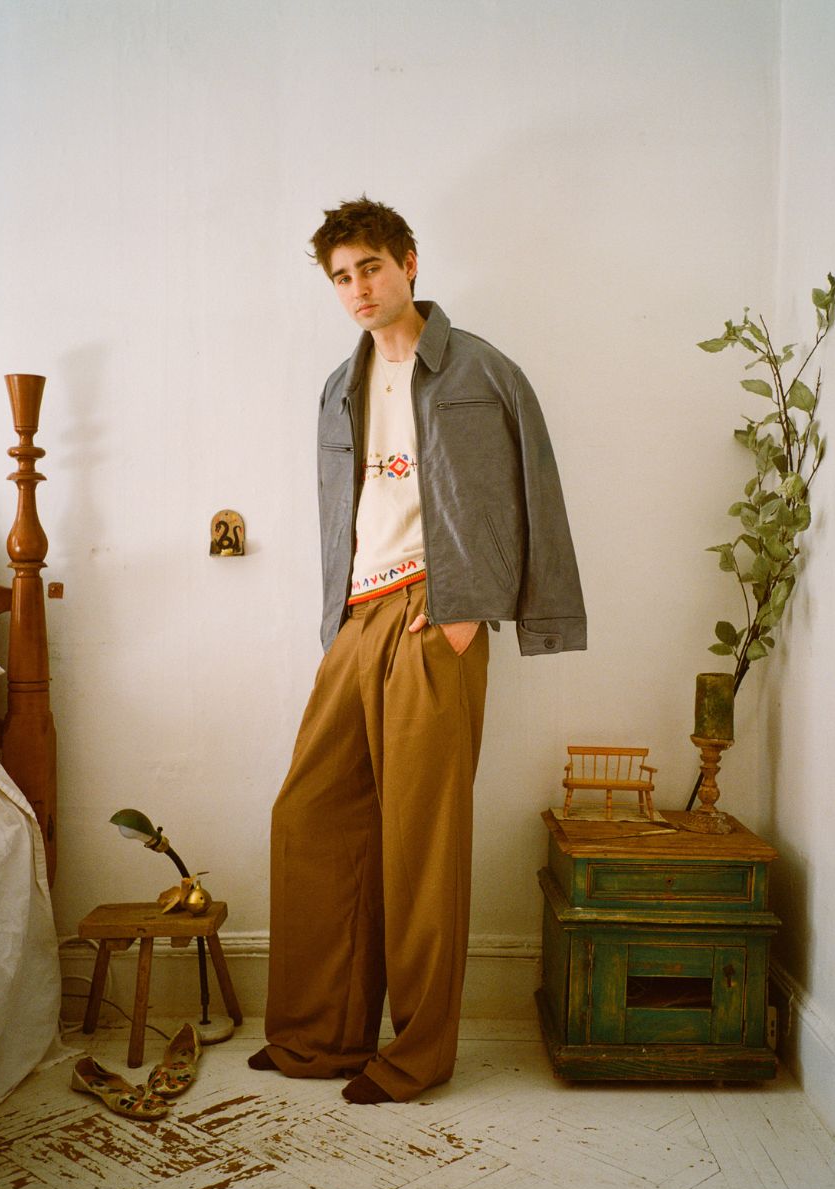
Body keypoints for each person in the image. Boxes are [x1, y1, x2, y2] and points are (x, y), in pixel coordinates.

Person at [250, 197, 585, 1103]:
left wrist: (474, 612)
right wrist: (337, 622)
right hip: (359, 618)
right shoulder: (338, 384)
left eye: (371, 267)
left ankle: (416, 1054)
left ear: (409, 262)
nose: (358, 288)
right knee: (313, 817)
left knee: (420, 843)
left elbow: (533, 495)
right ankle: (320, 1033)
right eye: (342, 276)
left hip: (439, 616)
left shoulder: (483, 371)